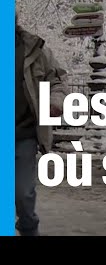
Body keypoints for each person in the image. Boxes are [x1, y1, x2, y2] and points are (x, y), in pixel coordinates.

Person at [15, 14, 69, 236]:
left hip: (22, 134)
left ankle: (29, 230)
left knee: (23, 194)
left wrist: (55, 102)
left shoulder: (34, 49)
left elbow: (57, 81)